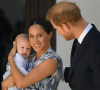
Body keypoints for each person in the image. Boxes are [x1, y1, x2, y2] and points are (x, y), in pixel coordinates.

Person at [46, 1, 100, 90]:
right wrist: (56, 70)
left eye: (57, 29)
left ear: (65, 26)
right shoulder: (80, 39)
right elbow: (83, 74)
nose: (58, 32)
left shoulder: (96, 44)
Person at [4, 18, 62, 90]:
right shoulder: (29, 58)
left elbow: (20, 84)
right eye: (31, 36)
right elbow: (7, 85)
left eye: (40, 35)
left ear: (50, 35)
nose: (35, 41)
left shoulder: (51, 60)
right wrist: (4, 84)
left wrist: (10, 59)